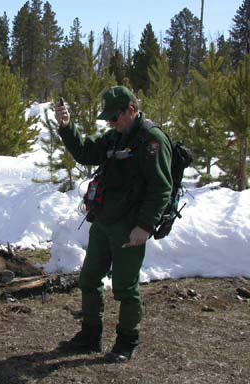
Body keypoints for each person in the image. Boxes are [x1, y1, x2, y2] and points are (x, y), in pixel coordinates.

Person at [54, 85, 172, 363]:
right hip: (104, 220)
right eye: (107, 119)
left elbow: (160, 188)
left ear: (130, 110)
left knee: (124, 285)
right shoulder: (114, 137)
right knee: (89, 279)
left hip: (130, 226)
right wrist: (67, 127)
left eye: (114, 117)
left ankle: (127, 340)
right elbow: (86, 154)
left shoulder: (151, 140)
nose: (110, 123)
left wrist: (144, 227)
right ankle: (90, 335)